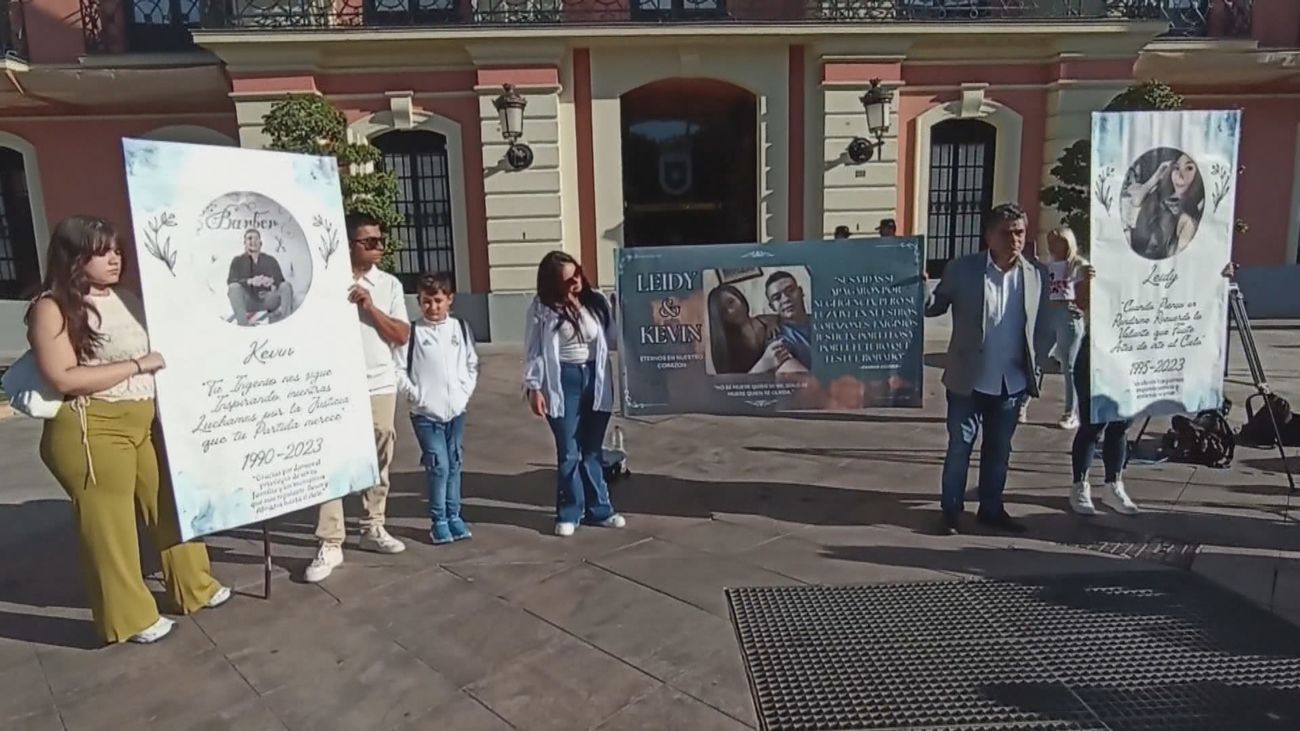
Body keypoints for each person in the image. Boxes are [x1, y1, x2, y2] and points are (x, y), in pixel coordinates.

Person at [27, 215, 229, 644]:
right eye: (102, 251)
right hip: (91, 426)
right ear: (75, 257)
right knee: (110, 525)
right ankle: (129, 617)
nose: (115, 259)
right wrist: (138, 365)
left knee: (168, 503)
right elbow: (63, 377)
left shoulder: (127, 297)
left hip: (143, 420)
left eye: (117, 250)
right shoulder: (52, 306)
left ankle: (194, 585)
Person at [1070, 262, 1237, 516]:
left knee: (1121, 424)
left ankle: (1113, 484)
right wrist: (1088, 282)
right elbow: (1080, 301)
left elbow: (1186, 287)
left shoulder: (1158, 266)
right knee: (1092, 424)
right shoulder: (1102, 256)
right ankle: (1079, 485)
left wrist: (1215, 276)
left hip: (1132, 356)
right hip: (1096, 354)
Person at [924, 202, 1052, 535]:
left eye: (1020, 232)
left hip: (1011, 382)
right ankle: (951, 510)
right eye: (1007, 233)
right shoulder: (963, 270)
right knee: (959, 447)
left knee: (999, 451)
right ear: (989, 237)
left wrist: (1034, 372)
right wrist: (918, 287)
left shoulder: (1036, 273)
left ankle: (991, 509)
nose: (1015, 240)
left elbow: (1042, 326)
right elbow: (933, 308)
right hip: (968, 379)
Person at [304, 214, 410, 582]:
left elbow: (401, 334)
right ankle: (331, 539)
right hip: (336, 384)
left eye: (381, 240)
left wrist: (370, 307)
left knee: (381, 452)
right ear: (350, 245)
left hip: (380, 382)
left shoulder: (389, 284)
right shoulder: (327, 283)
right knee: (332, 460)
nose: (378, 247)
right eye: (370, 242)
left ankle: (373, 525)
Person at [524, 251, 626, 537]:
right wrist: (534, 387)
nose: (576, 282)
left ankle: (600, 509)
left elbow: (614, 340)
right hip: (563, 380)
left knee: (592, 450)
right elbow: (533, 350)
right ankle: (569, 511)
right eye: (568, 279)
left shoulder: (596, 302)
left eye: (577, 274)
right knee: (569, 451)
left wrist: (622, 309)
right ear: (553, 283)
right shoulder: (542, 308)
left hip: (595, 377)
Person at [395, 272, 479, 545]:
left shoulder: (460, 328)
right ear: (419, 302)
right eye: (426, 301)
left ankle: (455, 515)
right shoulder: (413, 332)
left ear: (449, 300)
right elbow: (398, 368)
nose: (432, 307)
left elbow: (471, 364)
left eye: (438, 300)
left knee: (454, 463)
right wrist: (415, 395)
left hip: (455, 411)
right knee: (438, 465)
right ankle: (439, 519)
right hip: (426, 413)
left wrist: (463, 394)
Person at [1043, 227, 1090, 430]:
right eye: (1051, 242)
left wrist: (1085, 286)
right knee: (1038, 359)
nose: (1053, 246)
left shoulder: (1079, 265)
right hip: (1050, 315)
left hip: (1069, 317)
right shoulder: (1050, 265)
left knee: (1068, 367)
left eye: (1058, 242)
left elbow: (1085, 298)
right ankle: (1022, 405)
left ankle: (1071, 412)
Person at [1122, 153, 1205, 260]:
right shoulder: (1159, 194)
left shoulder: (1187, 220)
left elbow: (1179, 259)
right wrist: (1156, 177)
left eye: (1189, 168)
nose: (1180, 175)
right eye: (1176, 168)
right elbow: (1136, 201)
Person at [750, 271, 813, 374]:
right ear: (772, 306)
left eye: (790, 291)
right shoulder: (778, 337)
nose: (786, 299)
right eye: (777, 297)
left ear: (801, 292)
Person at [706, 284, 778, 374]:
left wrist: (773, 324)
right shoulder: (725, 346)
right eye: (724, 311)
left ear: (740, 298)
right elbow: (730, 385)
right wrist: (763, 364)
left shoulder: (765, 321)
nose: (731, 311)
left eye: (731, 302)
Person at [226, 229, 292, 325]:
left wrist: (271, 280)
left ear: (260, 243)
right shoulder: (237, 261)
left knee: (285, 286)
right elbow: (231, 280)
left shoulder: (270, 259)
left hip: (268, 299)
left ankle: (287, 323)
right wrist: (250, 281)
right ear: (245, 242)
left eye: (256, 238)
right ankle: (243, 325)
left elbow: (281, 280)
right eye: (250, 238)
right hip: (248, 301)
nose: (253, 241)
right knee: (233, 288)